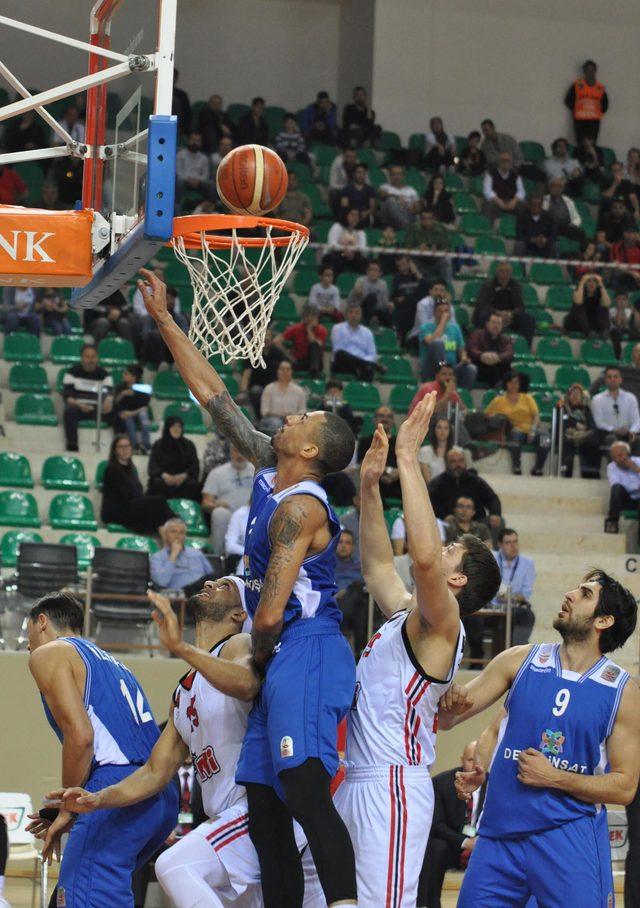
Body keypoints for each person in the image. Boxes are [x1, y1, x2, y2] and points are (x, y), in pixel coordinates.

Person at [137, 267, 359, 907]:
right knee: (262, 804)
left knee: (304, 789)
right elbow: (213, 396)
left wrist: (258, 657)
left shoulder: (301, 507)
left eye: (307, 416)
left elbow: (265, 616)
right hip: (280, 647)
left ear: (312, 450)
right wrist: (165, 320)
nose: (294, 414)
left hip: (306, 646)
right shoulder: (267, 464)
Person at [52, 582, 324, 908]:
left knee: (174, 865)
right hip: (231, 821)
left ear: (240, 612)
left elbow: (248, 683)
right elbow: (154, 771)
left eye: (224, 585)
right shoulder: (182, 693)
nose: (210, 583)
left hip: (262, 809)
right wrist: (98, 799)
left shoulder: (238, 644)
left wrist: (180, 647)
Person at [334, 394, 500, 906]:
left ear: (456, 578)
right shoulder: (410, 614)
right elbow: (378, 568)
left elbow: (422, 561)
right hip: (356, 779)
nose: (438, 547)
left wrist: (409, 459)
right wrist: (367, 490)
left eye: (451, 548)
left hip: (393, 788)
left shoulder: (445, 624)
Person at [440, 568, 640, 908]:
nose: (570, 595)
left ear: (603, 621)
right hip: (499, 835)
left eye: (585, 594)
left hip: (568, 837)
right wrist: (479, 762)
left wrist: (555, 777)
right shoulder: (520, 660)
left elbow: (624, 786)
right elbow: (454, 719)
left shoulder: (622, 690)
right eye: (575, 588)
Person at [25, 592, 178, 907]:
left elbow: (81, 737)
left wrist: (68, 806)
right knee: (77, 894)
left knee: (82, 896)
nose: (28, 646)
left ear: (42, 622)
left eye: (28, 636)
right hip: (159, 793)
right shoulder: (114, 663)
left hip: (115, 788)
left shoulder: (49, 653)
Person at [416, 739, 485, 908]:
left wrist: (480, 842)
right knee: (435, 847)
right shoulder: (442, 783)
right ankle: (429, 904)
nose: (474, 765)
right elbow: (437, 825)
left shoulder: (495, 784)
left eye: (478, 761)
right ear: (462, 760)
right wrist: (466, 842)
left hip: (484, 845)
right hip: (453, 845)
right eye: (470, 760)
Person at [101, 435, 175, 534]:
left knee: (158, 510)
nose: (125, 449)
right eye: (121, 447)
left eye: (127, 446)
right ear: (114, 451)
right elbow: (126, 494)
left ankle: (172, 532)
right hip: (115, 510)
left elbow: (137, 492)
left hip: (128, 506)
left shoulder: (132, 469)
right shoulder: (111, 469)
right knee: (158, 501)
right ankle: (174, 522)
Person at [484, 371, 550, 476]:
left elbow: (536, 416)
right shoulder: (498, 400)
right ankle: (517, 467)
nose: (514, 385)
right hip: (513, 431)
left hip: (530, 430)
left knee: (545, 438)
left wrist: (533, 431)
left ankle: (538, 468)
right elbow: (486, 415)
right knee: (515, 435)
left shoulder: (528, 398)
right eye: (511, 382)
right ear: (506, 384)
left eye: (516, 382)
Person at [428, 447, 503, 533]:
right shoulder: (438, 483)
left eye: (461, 460)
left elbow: (492, 498)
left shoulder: (475, 480)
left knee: (499, 522)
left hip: (476, 523)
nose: (458, 464)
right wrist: (444, 515)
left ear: (465, 462)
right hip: (449, 524)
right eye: (453, 461)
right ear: (446, 464)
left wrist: (495, 514)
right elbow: (429, 502)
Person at [201, 446, 255, 555]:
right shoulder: (217, 473)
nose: (239, 455)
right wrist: (215, 505)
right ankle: (220, 557)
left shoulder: (257, 470)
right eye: (236, 451)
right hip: (228, 514)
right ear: (230, 452)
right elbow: (205, 503)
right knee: (219, 513)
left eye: (242, 451)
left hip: (251, 513)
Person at [61, 344, 113, 452]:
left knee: (118, 412)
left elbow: (109, 393)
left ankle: (120, 447)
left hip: (98, 408)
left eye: (93, 356)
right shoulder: (72, 373)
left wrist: (109, 400)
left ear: (97, 358)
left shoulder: (104, 374)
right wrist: (79, 404)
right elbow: (67, 397)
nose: (91, 360)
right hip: (78, 406)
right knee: (69, 412)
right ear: (82, 358)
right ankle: (72, 447)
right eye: (87, 357)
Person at [473, 261, 536, 347]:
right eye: (502, 271)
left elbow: (521, 307)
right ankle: (484, 345)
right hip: (492, 316)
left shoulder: (515, 286)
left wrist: (511, 314)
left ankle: (525, 347)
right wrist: (498, 313)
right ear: (497, 272)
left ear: (511, 272)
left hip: (509, 317)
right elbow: (481, 304)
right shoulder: (488, 285)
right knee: (483, 316)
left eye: (507, 271)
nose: (504, 273)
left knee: (529, 319)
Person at [419, 298, 476, 387]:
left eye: (446, 311)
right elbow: (431, 341)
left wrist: (464, 358)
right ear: (434, 313)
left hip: (451, 368)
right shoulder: (425, 327)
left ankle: (460, 394)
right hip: (431, 368)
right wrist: (442, 323)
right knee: (438, 343)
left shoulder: (455, 328)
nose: (443, 314)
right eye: (440, 311)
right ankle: (442, 376)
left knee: (471, 369)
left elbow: (461, 349)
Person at [492, 528, 536, 644]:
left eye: (515, 542)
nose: (513, 546)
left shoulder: (528, 563)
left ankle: (519, 652)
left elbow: (526, 593)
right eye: (508, 543)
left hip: (514, 607)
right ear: (500, 545)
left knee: (526, 616)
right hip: (493, 608)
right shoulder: (492, 559)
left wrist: (510, 598)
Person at [150, 517, 214, 592]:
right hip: (179, 596)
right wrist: (173, 555)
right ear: (165, 535)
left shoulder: (196, 553)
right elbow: (161, 582)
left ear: (185, 536)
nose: (177, 536)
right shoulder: (157, 557)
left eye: (181, 533)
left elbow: (211, 576)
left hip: (201, 594)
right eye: (173, 532)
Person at [148, 416, 201, 502]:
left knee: (192, 484)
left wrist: (183, 476)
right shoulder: (158, 445)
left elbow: (194, 465)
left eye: (179, 426)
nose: (176, 429)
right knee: (156, 483)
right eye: (173, 426)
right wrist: (165, 476)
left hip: (183, 480)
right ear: (168, 428)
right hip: (163, 479)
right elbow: (153, 465)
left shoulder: (189, 445)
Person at [357, 405, 402, 506]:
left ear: (393, 421)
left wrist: (398, 473)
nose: (385, 419)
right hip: (375, 481)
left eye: (389, 416)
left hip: (396, 482)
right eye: (381, 415)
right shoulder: (365, 442)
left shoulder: (400, 443)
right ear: (374, 419)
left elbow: (404, 464)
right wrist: (381, 474)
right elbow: (362, 464)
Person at [238, 328, 288, 418]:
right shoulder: (252, 353)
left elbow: (285, 370)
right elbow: (246, 374)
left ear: (272, 338)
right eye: (264, 336)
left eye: (268, 336)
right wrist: (244, 391)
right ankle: (259, 417)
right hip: (257, 386)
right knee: (256, 391)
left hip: (274, 385)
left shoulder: (277, 353)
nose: (266, 338)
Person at [591, 364, 640, 452]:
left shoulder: (631, 398)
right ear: (605, 381)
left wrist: (632, 432)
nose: (612, 379)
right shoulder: (597, 399)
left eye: (615, 377)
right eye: (609, 377)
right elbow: (599, 423)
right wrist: (614, 430)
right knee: (610, 438)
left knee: (636, 439)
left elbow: (636, 421)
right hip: (607, 434)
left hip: (627, 434)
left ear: (621, 380)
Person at [334, 529, 368, 654]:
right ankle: (360, 650)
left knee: (357, 588)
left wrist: (345, 590)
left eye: (347, 543)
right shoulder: (328, 563)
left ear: (353, 546)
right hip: (332, 600)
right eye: (340, 542)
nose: (343, 545)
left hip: (352, 601)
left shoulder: (360, 566)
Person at [558, 383, 601, 478]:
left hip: (583, 436)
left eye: (577, 394)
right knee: (567, 441)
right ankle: (565, 472)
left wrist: (584, 430)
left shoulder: (586, 409)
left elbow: (591, 426)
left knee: (593, 440)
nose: (575, 396)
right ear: (568, 396)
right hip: (567, 435)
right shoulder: (562, 408)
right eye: (572, 394)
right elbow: (561, 422)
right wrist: (575, 424)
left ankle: (590, 473)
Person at [273, 305, 328, 378]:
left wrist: (309, 330)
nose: (309, 318)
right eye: (307, 315)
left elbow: (316, 346)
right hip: (300, 361)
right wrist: (290, 356)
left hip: (316, 362)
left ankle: (314, 371)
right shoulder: (296, 328)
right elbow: (276, 341)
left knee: (314, 345)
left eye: (312, 316)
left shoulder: (322, 330)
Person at [331, 302, 380, 381]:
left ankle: (362, 392)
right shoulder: (337, 328)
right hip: (343, 364)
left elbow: (372, 354)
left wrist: (360, 360)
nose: (354, 315)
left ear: (361, 316)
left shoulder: (367, 332)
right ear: (346, 315)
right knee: (340, 354)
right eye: (351, 312)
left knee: (368, 370)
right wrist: (360, 361)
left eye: (357, 313)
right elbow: (337, 351)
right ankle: (373, 365)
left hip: (362, 364)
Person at [565, 59, 609, 145]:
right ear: (584, 71)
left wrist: (598, 112)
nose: (590, 72)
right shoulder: (577, 85)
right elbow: (568, 101)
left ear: (595, 71)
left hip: (594, 121)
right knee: (581, 144)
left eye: (592, 70)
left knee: (592, 145)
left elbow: (605, 104)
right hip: (580, 121)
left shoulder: (600, 88)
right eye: (588, 70)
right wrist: (577, 110)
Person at [404, 209, 453, 284]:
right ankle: (415, 285)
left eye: (429, 218)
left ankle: (446, 286)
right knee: (408, 258)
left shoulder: (442, 229)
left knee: (447, 259)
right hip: (419, 261)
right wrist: (417, 249)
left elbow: (447, 249)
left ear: (434, 219)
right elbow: (406, 249)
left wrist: (436, 252)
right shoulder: (413, 228)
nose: (426, 221)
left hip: (436, 261)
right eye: (424, 218)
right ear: (420, 219)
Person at [467, 312, 514, 387]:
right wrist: (482, 355)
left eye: (499, 323)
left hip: (499, 367)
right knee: (495, 370)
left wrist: (498, 357)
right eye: (494, 323)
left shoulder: (505, 339)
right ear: (487, 323)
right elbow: (472, 349)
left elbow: (510, 353)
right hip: (481, 367)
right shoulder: (477, 334)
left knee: (516, 375)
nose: (496, 326)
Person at [112, 363, 151, 454]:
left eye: (126, 374)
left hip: (138, 412)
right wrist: (122, 394)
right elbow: (114, 403)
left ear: (133, 377)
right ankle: (134, 446)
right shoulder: (120, 387)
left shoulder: (142, 388)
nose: (123, 375)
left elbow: (144, 407)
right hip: (125, 413)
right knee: (129, 421)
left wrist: (132, 413)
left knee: (144, 417)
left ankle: (146, 445)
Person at [604, 440, 640, 535]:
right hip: (627, 500)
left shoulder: (638, 461)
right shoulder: (611, 467)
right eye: (614, 457)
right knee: (616, 488)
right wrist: (636, 487)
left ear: (627, 453)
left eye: (620, 455)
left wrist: (636, 469)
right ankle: (612, 522)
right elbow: (615, 485)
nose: (618, 460)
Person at [543, 177, 588, 252]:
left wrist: (573, 224)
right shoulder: (544, 200)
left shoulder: (568, 200)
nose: (557, 188)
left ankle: (581, 255)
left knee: (581, 233)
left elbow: (577, 217)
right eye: (555, 186)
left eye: (560, 186)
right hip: (551, 226)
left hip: (566, 227)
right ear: (550, 187)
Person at [259, 360, 308, 430]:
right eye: (282, 369)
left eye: (288, 369)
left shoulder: (299, 390)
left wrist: (293, 416)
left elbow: (303, 410)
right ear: (277, 371)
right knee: (277, 423)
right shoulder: (269, 388)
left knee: (297, 425)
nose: (285, 372)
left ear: (291, 372)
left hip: (293, 419)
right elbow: (264, 411)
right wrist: (281, 415)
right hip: (272, 420)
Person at [391, 253, 428, 342]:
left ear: (409, 263)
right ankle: (404, 340)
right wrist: (397, 300)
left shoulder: (418, 276)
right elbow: (393, 297)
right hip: (404, 308)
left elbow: (429, 288)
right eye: (399, 266)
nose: (402, 267)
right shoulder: (397, 279)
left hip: (419, 306)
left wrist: (416, 272)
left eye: (404, 264)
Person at [323, 208, 368, 277]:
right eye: (352, 215)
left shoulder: (360, 231)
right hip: (337, 254)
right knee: (335, 260)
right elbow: (332, 244)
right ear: (346, 216)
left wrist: (352, 250)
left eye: (357, 216)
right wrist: (344, 249)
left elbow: (363, 248)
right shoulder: (337, 227)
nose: (355, 218)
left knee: (363, 262)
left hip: (353, 256)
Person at [482, 150, 525, 222]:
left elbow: (521, 192)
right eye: (503, 160)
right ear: (499, 162)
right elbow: (487, 191)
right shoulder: (491, 174)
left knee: (523, 206)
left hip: (511, 201)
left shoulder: (516, 175)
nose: (505, 163)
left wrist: (514, 201)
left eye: (508, 160)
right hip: (496, 201)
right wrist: (498, 201)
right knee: (490, 205)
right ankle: (489, 229)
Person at [347, 259, 392, 326]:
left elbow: (384, 304)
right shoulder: (360, 281)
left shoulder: (383, 284)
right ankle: (370, 322)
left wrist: (388, 305)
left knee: (386, 311)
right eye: (371, 270)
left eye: (376, 270)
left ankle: (389, 330)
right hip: (362, 309)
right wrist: (354, 292)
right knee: (372, 296)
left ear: (380, 273)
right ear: (367, 271)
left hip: (377, 309)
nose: (373, 272)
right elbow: (350, 301)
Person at [565, 272, 611, 337]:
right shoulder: (579, 290)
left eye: (594, 281)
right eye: (589, 281)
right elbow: (577, 302)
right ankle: (588, 332)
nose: (591, 284)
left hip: (591, 322)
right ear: (585, 284)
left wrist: (601, 283)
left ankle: (604, 331)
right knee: (579, 308)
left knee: (604, 308)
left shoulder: (599, 291)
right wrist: (582, 282)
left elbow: (607, 303)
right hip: (576, 323)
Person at [175, 131, 214, 208]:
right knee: (179, 182)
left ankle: (207, 207)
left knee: (211, 185)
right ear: (188, 140)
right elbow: (178, 172)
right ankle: (177, 207)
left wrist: (197, 181)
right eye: (193, 140)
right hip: (184, 181)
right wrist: (189, 180)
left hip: (199, 182)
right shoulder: (180, 154)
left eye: (197, 141)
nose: (195, 143)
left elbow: (205, 175)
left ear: (201, 143)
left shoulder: (204, 158)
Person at [514, 194, 558, 259]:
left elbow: (553, 235)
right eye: (533, 204)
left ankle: (553, 268)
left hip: (544, 245)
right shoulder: (522, 216)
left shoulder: (549, 217)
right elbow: (519, 235)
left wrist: (546, 240)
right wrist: (531, 240)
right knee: (519, 245)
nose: (536, 207)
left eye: (539, 204)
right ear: (528, 205)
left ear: (542, 205)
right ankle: (521, 268)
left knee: (554, 246)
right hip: (528, 245)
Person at [378, 164, 420, 229]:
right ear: (390, 176)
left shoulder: (411, 190)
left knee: (418, 210)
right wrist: (397, 197)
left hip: (407, 213)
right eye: (393, 174)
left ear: (403, 176)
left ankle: (418, 229)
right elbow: (382, 195)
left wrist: (411, 207)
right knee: (390, 201)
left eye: (399, 174)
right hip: (390, 218)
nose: (396, 176)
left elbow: (417, 205)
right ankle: (406, 226)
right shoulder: (384, 187)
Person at [418, 415, 456, 483]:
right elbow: (428, 481)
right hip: (433, 490)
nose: (442, 431)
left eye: (446, 428)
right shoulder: (425, 451)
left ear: (450, 431)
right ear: (434, 430)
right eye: (439, 427)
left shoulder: (457, 451)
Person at [339, 162, 377, 227]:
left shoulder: (370, 189)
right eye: (359, 172)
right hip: (350, 216)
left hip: (364, 216)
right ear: (354, 174)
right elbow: (344, 206)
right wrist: (354, 214)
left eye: (363, 173)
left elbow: (372, 208)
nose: (361, 175)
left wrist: (366, 213)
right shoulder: (346, 189)